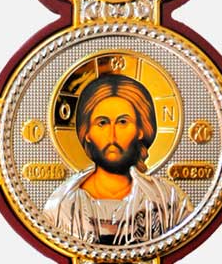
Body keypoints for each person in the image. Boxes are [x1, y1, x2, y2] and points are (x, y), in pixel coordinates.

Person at [43, 73, 192, 244]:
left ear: (140, 130)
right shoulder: (61, 205)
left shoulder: (168, 199)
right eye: (102, 123)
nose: (112, 135)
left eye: (122, 122)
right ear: (87, 133)